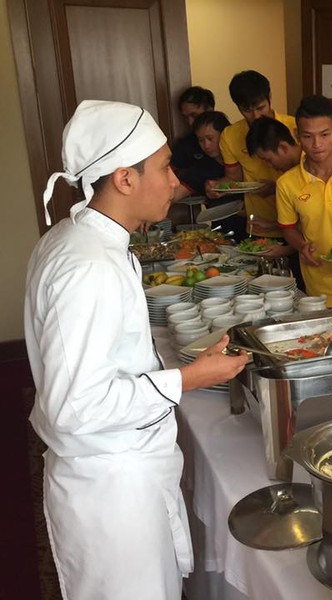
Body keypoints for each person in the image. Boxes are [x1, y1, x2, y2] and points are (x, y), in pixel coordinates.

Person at [26, 100, 249, 599]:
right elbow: (75, 405)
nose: (174, 181)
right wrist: (189, 379)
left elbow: (108, 362)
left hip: (122, 468)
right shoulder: (87, 267)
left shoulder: (88, 240)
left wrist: (184, 363)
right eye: (166, 167)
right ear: (124, 178)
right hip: (110, 487)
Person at [276, 95, 332, 306]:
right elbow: (288, 228)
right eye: (308, 136)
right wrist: (302, 246)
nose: (317, 144)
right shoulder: (286, 183)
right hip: (318, 286)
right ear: (297, 136)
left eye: (324, 134)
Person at [206, 70, 297, 236]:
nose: (255, 115)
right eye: (246, 110)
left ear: (269, 96)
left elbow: (310, 176)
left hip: (296, 226)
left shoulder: (294, 128)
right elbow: (234, 178)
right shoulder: (230, 135)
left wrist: (276, 188)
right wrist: (218, 186)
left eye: (260, 107)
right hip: (258, 226)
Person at [172, 110, 248, 240]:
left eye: (210, 138)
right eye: (201, 140)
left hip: (257, 227)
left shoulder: (246, 157)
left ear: (225, 134)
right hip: (223, 234)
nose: (206, 145)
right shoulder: (203, 166)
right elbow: (175, 193)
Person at [170, 85, 215, 173]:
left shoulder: (229, 136)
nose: (190, 122)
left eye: (194, 116)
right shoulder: (183, 146)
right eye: (186, 117)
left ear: (210, 111)